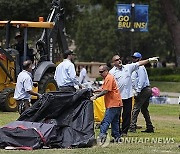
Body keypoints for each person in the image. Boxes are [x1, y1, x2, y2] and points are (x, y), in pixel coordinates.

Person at [109, 54, 158, 136]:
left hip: (128, 95)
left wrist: (149, 60)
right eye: (117, 60)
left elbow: (139, 64)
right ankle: (117, 131)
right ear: (113, 62)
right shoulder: (112, 72)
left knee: (127, 114)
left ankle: (124, 131)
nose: (119, 60)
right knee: (117, 115)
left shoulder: (127, 67)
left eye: (119, 59)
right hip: (117, 96)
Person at [91, 65, 123, 143]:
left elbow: (106, 91)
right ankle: (117, 138)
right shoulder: (108, 78)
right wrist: (94, 91)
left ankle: (102, 137)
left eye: (101, 72)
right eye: (99, 72)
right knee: (115, 122)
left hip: (113, 104)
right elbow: (103, 88)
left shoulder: (109, 78)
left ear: (106, 71)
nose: (100, 74)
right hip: (117, 103)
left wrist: (96, 96)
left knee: (106, 121)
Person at [129, 52, 154, 133]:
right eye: (133, 57)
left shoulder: (140, 67)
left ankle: (132, 127)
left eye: (136, 58)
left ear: (140, 58)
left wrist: (138, 91)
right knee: (144, 109)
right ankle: (149, 127)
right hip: (144, 90)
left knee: (136, 108)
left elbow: (141, 80)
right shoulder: (135, 67)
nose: (134, 59)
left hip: (143, 90)